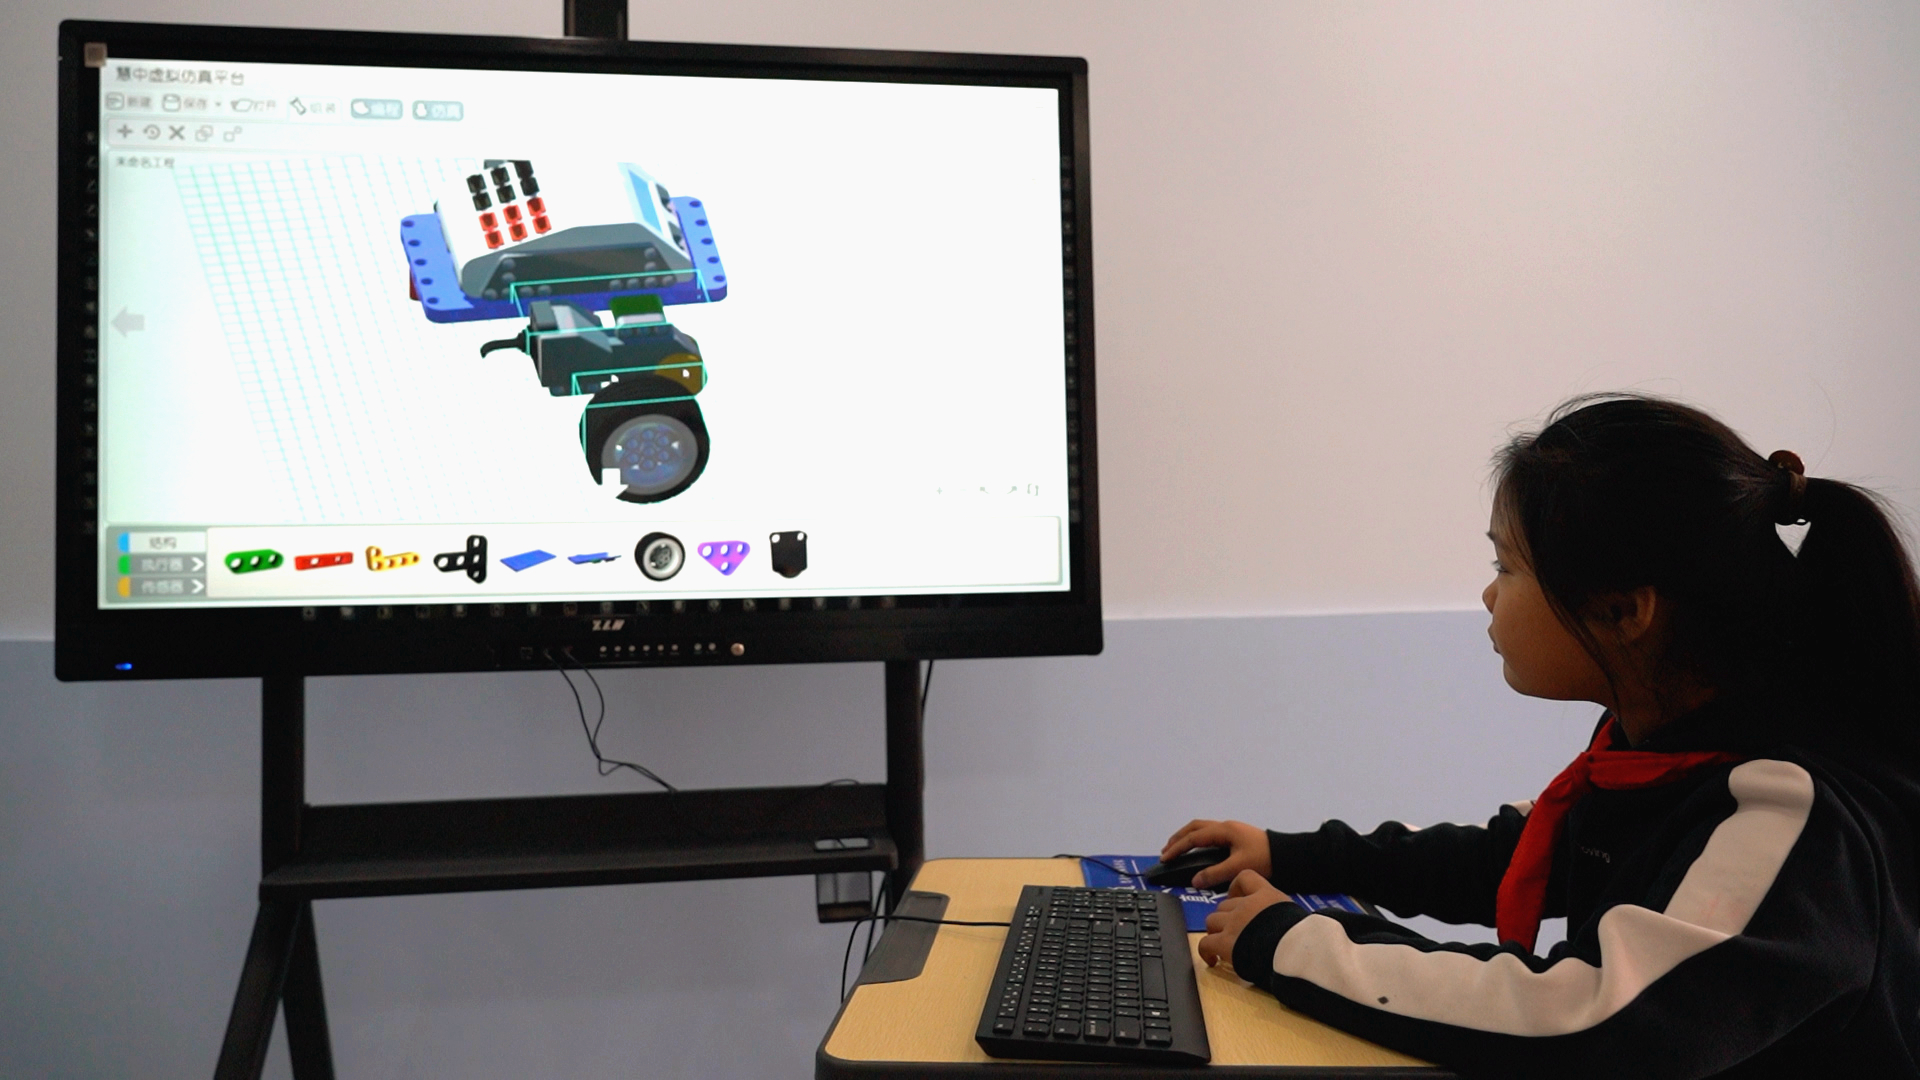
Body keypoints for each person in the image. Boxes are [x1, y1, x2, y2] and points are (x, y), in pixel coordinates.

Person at [1162, 394, 1920, 1078]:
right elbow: (1509, 857)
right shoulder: (1652, 749)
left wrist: (1295, 944)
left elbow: (1593, 1016)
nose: (1488, 593)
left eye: (1507, 565)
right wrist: (1292, 854)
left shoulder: (1791, 814)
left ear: (1624, 611)